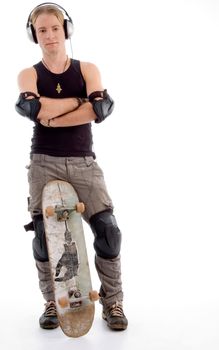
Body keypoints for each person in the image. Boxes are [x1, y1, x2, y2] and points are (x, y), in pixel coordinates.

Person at [15, 2, 128, 331]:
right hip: (43, 162)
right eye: (42, 30)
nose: (49, 35)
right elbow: (31, 108)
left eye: (54, 28)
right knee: (41, 236)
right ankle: (53, 301)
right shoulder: (29, 74)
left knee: (109, 231)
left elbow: (102, 109)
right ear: (34, 35)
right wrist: (80, 103)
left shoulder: (87, 68)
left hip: (83, 161)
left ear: (66, 30)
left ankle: (113, 302)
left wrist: (52, 113)